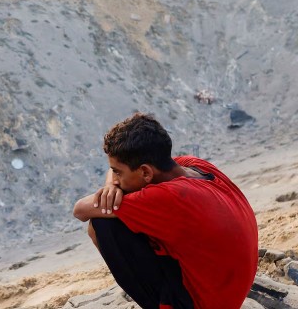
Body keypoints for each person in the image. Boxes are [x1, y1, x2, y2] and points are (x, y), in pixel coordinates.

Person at [72, 113, 257, 309]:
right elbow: (116, 173)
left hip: (205, 303)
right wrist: (113, 185)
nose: (115, 178)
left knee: (102, 224)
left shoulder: (167, 197)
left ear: (145, 172)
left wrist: (111, 189)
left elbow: (81, 210)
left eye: (119, 173)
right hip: (228, 290)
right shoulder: (194, 166)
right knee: (118, 211)